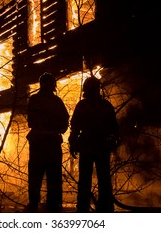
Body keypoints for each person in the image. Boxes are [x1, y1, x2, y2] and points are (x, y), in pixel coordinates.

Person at [69, 75, 119, 212]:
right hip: (100, 147)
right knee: (103, 180)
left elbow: (75, 127)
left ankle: (84, 208)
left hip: (88, 146)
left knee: (86, 180)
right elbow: (114, 129)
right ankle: (105, 208)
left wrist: (73, 143)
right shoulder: (105, 106)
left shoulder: (83, 106)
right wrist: (113, 144)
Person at [26, 72, 69, 212]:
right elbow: (64, 123)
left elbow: (31, 121)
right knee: (53, 176)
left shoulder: (34, 100)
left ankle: (34, 204)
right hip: (51, 144)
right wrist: (54, 129)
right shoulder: (57, 102)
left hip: (39, 143)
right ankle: (54, 206)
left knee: (36, 176)